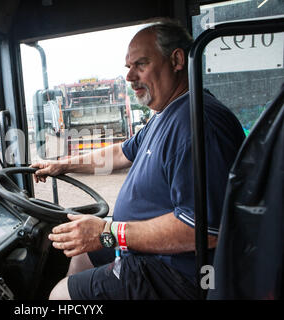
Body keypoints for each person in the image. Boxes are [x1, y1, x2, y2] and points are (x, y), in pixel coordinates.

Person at [30, 18, 245, 300]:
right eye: (128, 68)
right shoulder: (166, 115)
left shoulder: (198, 123)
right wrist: (64, 164)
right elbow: (120, 152)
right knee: (82, 257)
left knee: (60, 295)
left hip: (184, 275)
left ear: (177, 60)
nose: (130, 77)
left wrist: (109, 232)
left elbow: (205, 229)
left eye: (140, 65)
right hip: (155, 255)